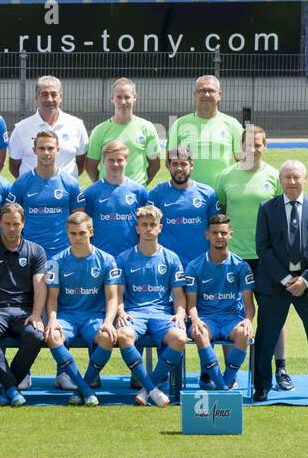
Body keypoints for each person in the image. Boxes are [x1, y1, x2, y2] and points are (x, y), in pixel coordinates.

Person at [215, 124, 291, 390]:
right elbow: (222, 215)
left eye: (258, 144)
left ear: (265, 146)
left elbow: (283, 219)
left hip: (267, 258)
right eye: (248, 145)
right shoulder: (225, 177)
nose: (253, 149)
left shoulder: (275, 176)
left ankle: (280, 369)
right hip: (234, 260)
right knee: (231, 315)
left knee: (273, 315)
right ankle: (231, 372)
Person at [252, 160, 308, 402]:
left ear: (305, 179)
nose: (292, 182)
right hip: (276, 284)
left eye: (296, 177)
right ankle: (262, 386)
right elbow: (263, 247)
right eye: (287, 177)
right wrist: (287, 279)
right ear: (280, 181)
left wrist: (305, 280)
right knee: (266, 335)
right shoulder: (267, 208)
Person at [42, 213, 134, 407]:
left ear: (91, 232)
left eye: (82, 233)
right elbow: (51, 299)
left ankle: (81, 387)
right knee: (52, 336)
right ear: (67, 233)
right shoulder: (55, 262)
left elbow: (112, 297)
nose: (77, 238)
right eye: (73, 234)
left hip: (94, 317)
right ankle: (85, 389)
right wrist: (51, 319)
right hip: (66, 316)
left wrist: (108, 322)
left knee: (108, 337)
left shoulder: (108, 260)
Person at [0, 203, 47, 407]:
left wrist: (37, 314)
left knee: (36, 335)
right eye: (7, 224)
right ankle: (12, 387)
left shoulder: (36, 251)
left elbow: (40, 288)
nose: (11, 229)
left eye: (16, 224)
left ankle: (6, 383)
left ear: (23, 224)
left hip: (25, 311)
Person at [115, 204, 187, 408]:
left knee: (180, 337)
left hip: (162, 314)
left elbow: (179, 295)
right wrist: (120, 311)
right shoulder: (124, 258)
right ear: (137, 228)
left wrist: (180, 314)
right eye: (144, 225)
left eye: (152, 225)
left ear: (160, 228)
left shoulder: (171, 258)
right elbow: (117, 293)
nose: (148, 229)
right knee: (123, 335)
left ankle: (147, 388)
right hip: (134, 313)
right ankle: (153, 389)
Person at [184, 214, 255, 391]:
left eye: (223, 233)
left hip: (231, 318)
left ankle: (227, 379)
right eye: (215, 233)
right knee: (200, 332)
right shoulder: (194, 266)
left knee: (244, 333)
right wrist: (195, 320)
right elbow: (190, 305)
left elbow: (249, 304)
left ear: (231, 234)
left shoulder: (241, 266)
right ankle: (215, 380)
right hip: (207, 318)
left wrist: (248, 320)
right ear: (207, 235)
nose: (219, 237)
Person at [5, 130, 82, 258]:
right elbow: (9, 220)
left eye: (50, 148)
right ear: (34, 150)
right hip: (29, 254)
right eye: (41, 148)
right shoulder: (21, 184)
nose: (46, 152)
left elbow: (80, 221)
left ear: (58, 150)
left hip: (62, 254)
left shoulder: (71, 183)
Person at [148, 146, 219, 268]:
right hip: (167, 265)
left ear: (191, 165)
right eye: (175, 164)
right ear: (168, 166)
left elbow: (216, 229)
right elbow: (148, 229)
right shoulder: (157, 193)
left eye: (183, 164)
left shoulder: (208, 193)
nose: (179, 168)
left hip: (200, 264)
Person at [168, 75, 243, 190]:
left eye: (211, 91)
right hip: (188, 194)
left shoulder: (233, 124)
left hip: (221, 194)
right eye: (202, 91)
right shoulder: (179, 124)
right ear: (195, 95)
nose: (206, 94)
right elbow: (170, 161)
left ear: (219, 95)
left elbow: (243, 161)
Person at [76, 140, 149, 258]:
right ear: (103, 161)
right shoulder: (91, 192)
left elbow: (147, 225)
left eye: (119, 160)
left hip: (131, 257)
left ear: (126, 161)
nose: (115, 164)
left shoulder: (139, 191)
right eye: (111, 160)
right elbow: (84, 227)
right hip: (100, 258)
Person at [6, 75, 88, 179]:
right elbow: (14, 166)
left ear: (61, 97)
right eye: (44, 94)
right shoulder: (21, 128)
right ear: (36, 97)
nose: (49, 99)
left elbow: (81, 161)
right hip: (31, 191)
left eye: (54, 94)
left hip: (67, 192)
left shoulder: (77, 125)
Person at [83, 78, 161, 184]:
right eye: (119, 97)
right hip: (107, 196)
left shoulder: (147, 128)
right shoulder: (99, 130)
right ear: (112, 98)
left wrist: (140, 186)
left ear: (135, 97)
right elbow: (90, 166)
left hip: (136, 196)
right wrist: (103, 186)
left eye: (127, 97)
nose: (123, 102)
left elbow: (155, 165)